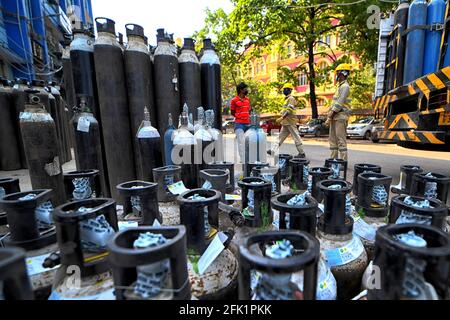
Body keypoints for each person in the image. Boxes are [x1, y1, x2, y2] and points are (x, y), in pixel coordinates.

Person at [268, 83, 306, 158]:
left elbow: (289, 110)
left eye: (285, 89)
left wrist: (282, 118)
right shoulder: (286, 99)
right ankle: (273, 150)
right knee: (280, 137)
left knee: (296, 137)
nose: (284, 90)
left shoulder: (291, 99)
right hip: (285, 122)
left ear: (290, 90)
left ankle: (301, 153)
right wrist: (282, 119)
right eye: (284, 89)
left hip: (290, 122)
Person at [325, 64, 352, 161]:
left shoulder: (345, 86)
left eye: (338, 73)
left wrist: (329, 116)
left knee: (341, 140)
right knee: (332, 140)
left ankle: (343, 162)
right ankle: (333, 160)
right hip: (335, 116)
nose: (336, 75)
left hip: (341, 116)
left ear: (343, 73)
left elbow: (339, 104)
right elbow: (334, 103)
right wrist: (329, 114)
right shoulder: (339, 87)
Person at [230, 82, 251, 162]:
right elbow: (232, 112)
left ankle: (249, 157)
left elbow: (249, 110)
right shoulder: (234, 100)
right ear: (241, 90)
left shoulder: (247, 99)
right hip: (239, 124)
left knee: (249, 141)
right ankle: (243, 160)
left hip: (248, 123)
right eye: (245, 88)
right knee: (241, 142)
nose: (247, 90)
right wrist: (239, 116)